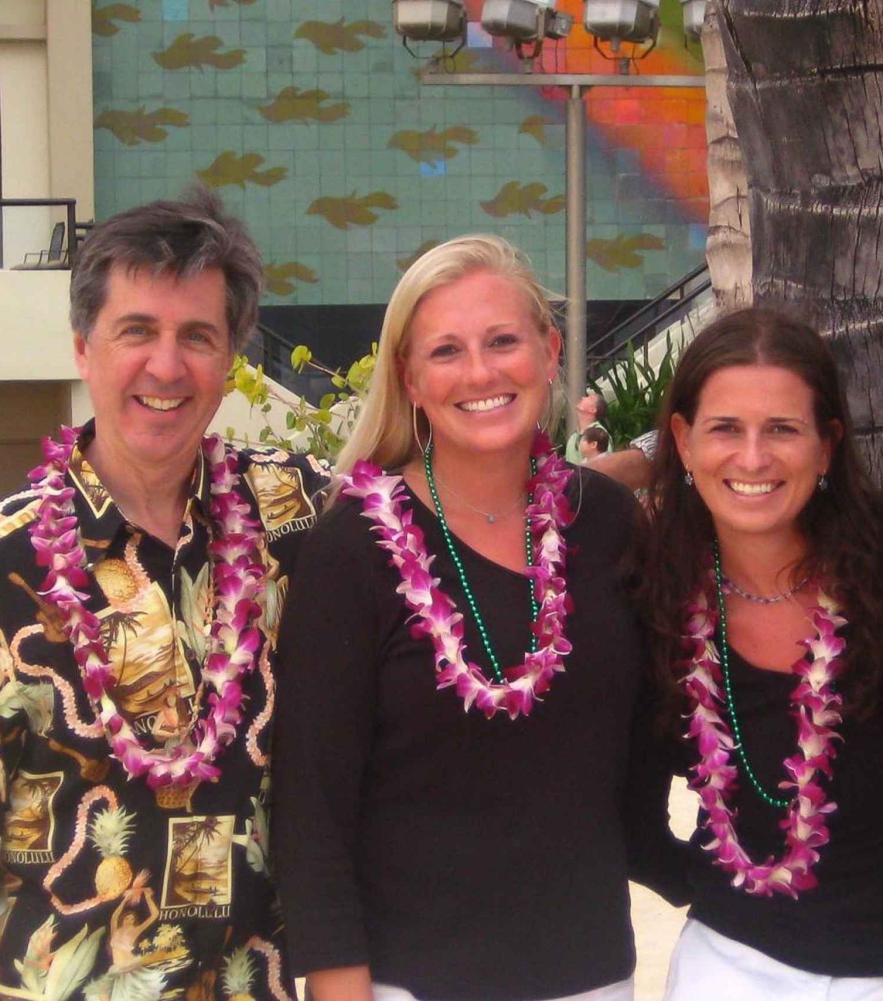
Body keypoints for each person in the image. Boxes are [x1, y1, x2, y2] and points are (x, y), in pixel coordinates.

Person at [0, 189, 330, 999]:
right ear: (83, 347)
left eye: (197, 336)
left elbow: (442, 515)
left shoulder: (299, 517)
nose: (166, 367)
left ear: (231, 359)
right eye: (136, 330)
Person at [272, 234, 657, 1001]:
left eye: (503, 341)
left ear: (550, 352)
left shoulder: (610, 523)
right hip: (411, 984)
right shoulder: (352, 551)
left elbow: (652, 749)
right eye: (446, 350)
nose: (480, 372)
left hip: (593, 977)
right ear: (410, 380)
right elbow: (313, 807)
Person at [631, 308, 883, 1000]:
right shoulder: (652, 602)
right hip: (733, 965)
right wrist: (704, 886)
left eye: (782, 428)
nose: (753, 458)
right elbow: (627, 805)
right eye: (725, 428)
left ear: (827, 445)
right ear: (683, 441)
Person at [565, 392, 612, 462]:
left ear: (592, 410)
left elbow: (606, 463)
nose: (583, 398)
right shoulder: (573, 438)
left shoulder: (600, 436)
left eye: (590, 398)